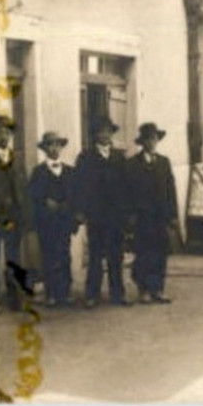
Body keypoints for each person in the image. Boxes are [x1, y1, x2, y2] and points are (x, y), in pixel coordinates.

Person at [74, 118, 131, 307]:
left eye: (108, 132)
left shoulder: (119, 157)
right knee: (96, 254)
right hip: (96, 214)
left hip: (116, 215)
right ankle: (92, 294)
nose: (105, 135)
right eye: (101, 132)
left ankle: (118, 294)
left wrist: (126, 212)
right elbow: (80, 187)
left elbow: (126, 186)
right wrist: (82, 210)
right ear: (95, 135)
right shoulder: (85, 158)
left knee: (116, 255)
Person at [0, 115, 33, 314]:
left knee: (13, 257)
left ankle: (14, 298)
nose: (4, 136)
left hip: (13, 217)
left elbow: (23, 189)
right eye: (0, 132)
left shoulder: (17, 159)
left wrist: (25, 215)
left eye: (7, 132)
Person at [128, 123, 178, 304]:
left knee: (160, 252)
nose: (152, 142)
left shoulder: (164, 162)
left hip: (160, 216)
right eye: (148, 139)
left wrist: (173, 215)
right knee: (143, 253)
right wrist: (131, 215)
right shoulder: (133, 164)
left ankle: (158, 289)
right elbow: (129, 192)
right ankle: (144, 290)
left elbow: (170, 190)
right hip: (142, 217)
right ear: (142, 142)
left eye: (154, 139)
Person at [28, 131, 76, 308]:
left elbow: (74, 195)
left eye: (57, 145)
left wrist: (67, 207)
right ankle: (51, 293)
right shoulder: (38, 172)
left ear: (61, 148)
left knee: (64, 254)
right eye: (50, 145)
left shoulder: (70, 171)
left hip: (63, 221)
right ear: (44, 149)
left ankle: (65, 291)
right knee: (48, 255)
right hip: (46, 222)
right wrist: (45, 201)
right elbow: (32, 196)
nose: (54, 148)